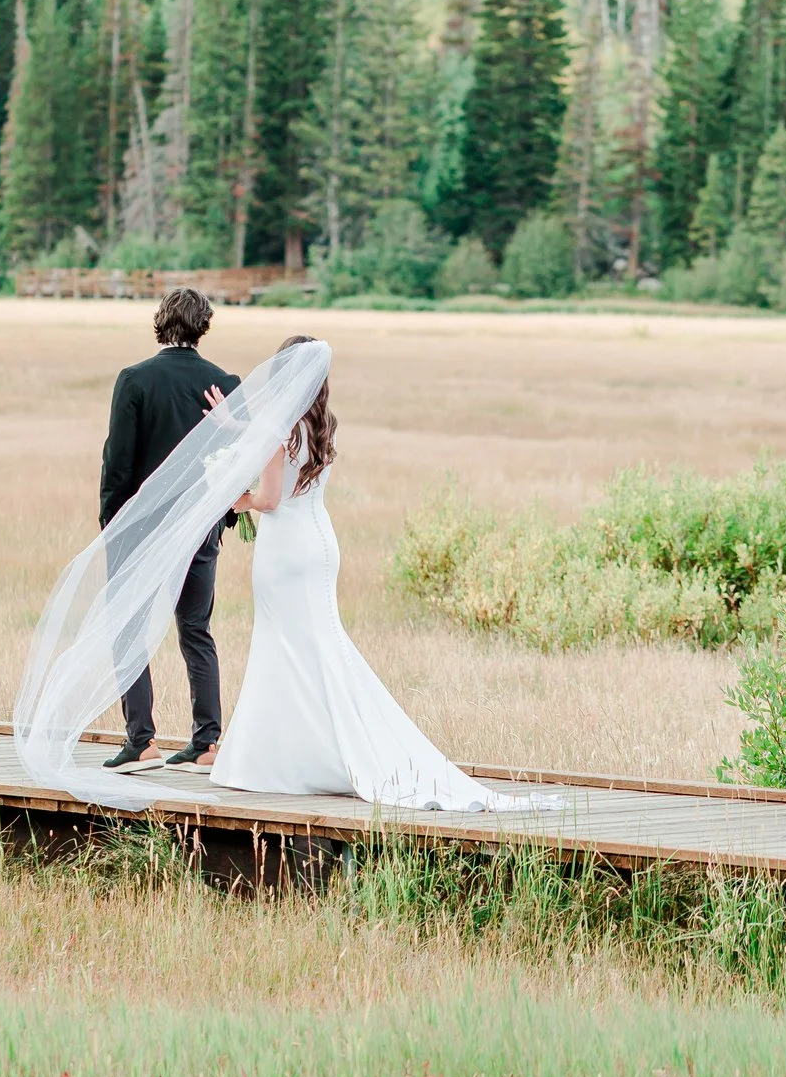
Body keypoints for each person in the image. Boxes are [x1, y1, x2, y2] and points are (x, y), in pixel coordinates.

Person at [209, 337, 545, 812]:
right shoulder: (322, 424)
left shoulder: (277, 426)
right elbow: (279, 456)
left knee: (285, 642)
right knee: (318, 642)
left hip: (285, 549)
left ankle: (286, 758)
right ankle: (325, 748)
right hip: (320, 541)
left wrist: (232, 497)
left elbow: (268, 499)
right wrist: (235, 426)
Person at [95, 288, 240, 768]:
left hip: (143, 527)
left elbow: (119, 461)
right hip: (201, 526)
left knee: (129, 628)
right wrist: (224, 518)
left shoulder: (135, 380)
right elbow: (237, 460)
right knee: (197, 629)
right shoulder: (223, 382)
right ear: (204, 326)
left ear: (161, 322)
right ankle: (207, 743)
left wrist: (111, 522)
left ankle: (143, 740)